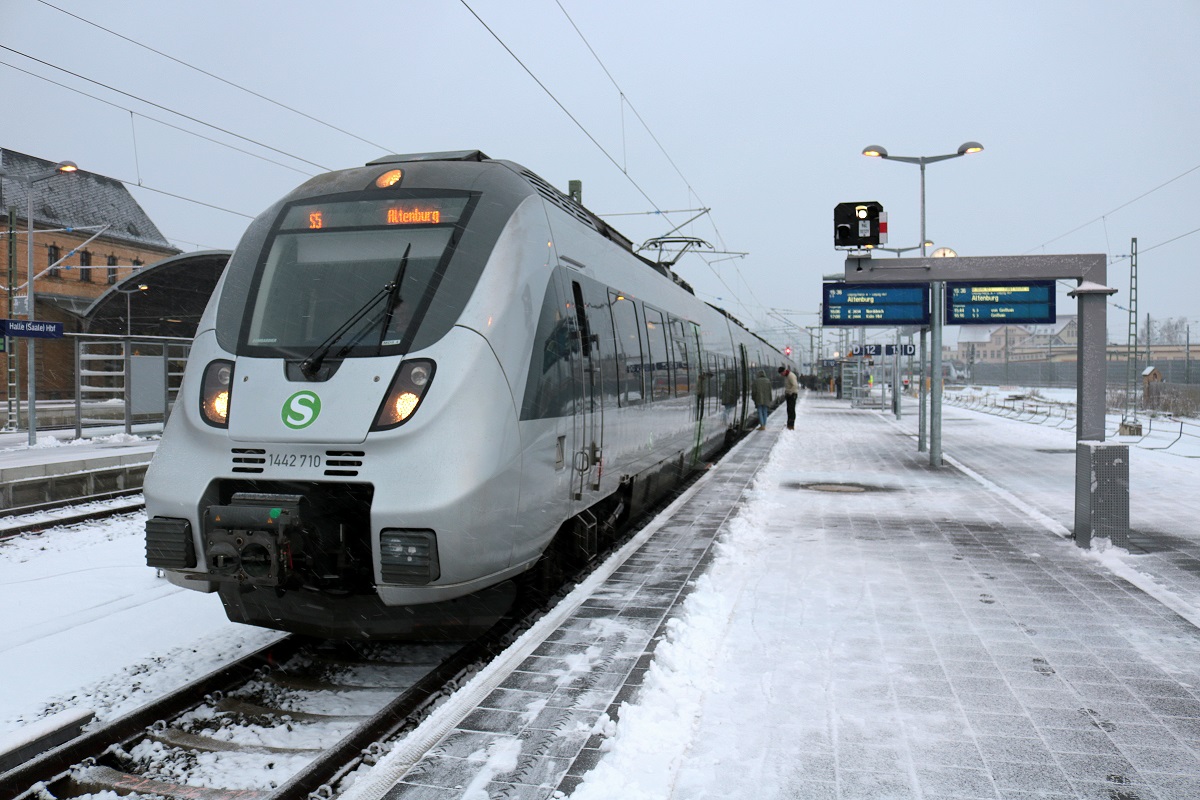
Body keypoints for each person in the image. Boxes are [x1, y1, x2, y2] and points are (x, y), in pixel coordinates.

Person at [779, 366, 800, 430]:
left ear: (784, 371)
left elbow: (795, 385)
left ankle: (791, 425)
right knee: (789, 410)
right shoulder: (787, 376)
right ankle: (789, 423)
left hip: (792, 395)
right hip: (789, 395)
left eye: (782, 373)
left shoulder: (790, 376)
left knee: (791, 410)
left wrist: (790, 392)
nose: (781, 375)